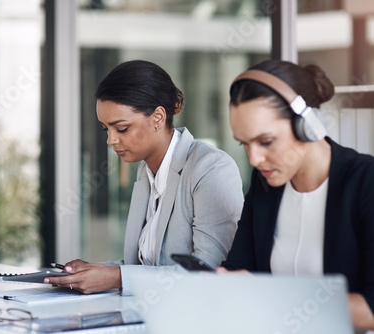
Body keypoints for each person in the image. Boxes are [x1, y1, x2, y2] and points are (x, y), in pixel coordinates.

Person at [45, 59, 244, 295]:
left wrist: (116, 277)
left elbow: (207, 272)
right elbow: (146, 267)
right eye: (105, 129)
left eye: (122, 128)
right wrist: (94, 272)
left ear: (158, 118)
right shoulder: (145, 171)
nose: (110, 140)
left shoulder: (210, 168)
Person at [217, 59, 374, 329]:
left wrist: (269, 296)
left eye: (266, 141)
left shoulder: (365, 181)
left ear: (307, 126)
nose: (254, 158)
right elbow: (238, 267)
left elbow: (371, 310)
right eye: (244, 143)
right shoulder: (265, 183)